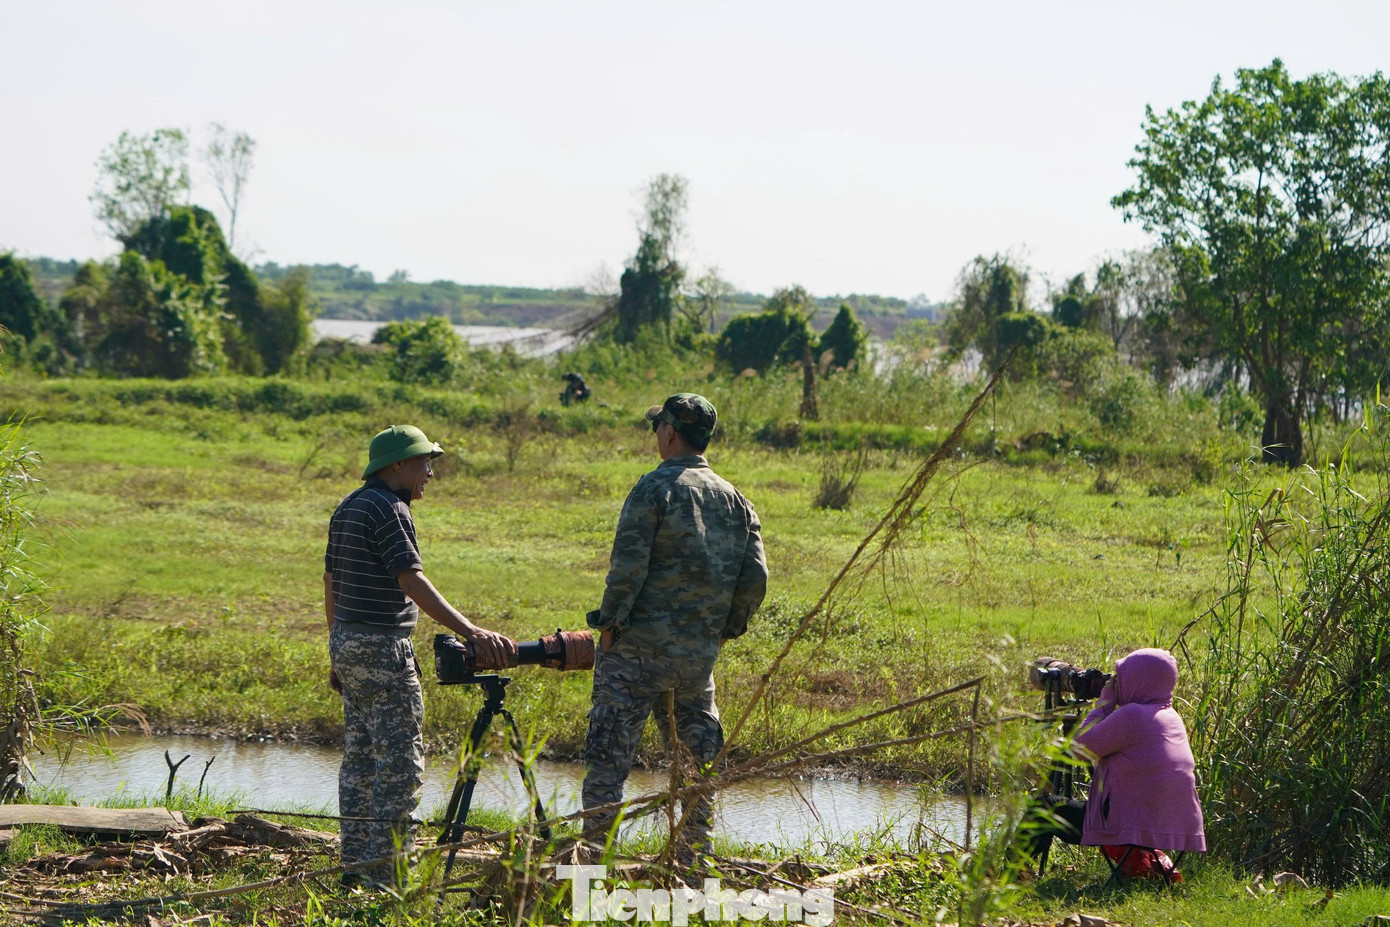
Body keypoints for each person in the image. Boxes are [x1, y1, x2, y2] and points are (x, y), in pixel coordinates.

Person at [324, 424, 516, 887]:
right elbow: (411, 581)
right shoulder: (390, 509)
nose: (430, 472)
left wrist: (337, 653)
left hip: (347, 639)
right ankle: (386, 880)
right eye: (424, 462)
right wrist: (472, 631)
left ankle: (354, 869)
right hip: (384, 646)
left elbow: (330, 584)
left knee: (361, 762)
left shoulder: (349, 504)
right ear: (398, 465)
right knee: (399, 766)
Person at [581, 393, 768, 861]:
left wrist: (610, 626)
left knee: (608, 764)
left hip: (635, 654)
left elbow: (628, 569)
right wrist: (724, 631)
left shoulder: (653, 489)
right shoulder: (737, 501)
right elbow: (756, 578)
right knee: (697, 768)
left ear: (668, 433)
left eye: (657, 429)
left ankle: (592, 866)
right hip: (696, 663)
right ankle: (691, 864)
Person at [1031, 648, 1206, 878]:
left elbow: (1077, 749)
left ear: (1137, 680)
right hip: (1175, 826)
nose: (1116, 682)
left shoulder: (1132, 715)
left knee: (1044, 806)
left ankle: (1014, 872)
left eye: (1120, 677)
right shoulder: (1172, 717)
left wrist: (1104, 705)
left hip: (1130, 828)